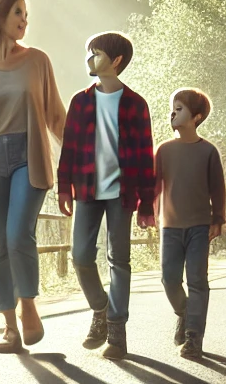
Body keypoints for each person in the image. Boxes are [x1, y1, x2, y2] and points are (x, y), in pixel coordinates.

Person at [0, 0, 66, 354]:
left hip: (28, 155)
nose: (24, 19)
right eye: (18, 12)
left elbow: (55, 115)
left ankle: (29, 305)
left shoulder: (37, 61)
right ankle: (8, 326)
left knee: (18, 234)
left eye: (26, 14)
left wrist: (82, 154)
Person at [57, 32, 156, 361]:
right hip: (86, 189)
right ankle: (100, 308)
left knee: (119, 260)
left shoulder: (136, 104)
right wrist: (63, 187)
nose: (89, 58)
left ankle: (116, 331)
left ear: (116, 61)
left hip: (122, 193)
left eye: (96, 53)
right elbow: (69, 148)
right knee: (80, 256)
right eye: (89, 53)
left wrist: (147, 202)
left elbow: (145, 156)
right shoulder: (80, 102)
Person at [155, 88, 226, 361]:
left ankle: (194, 338)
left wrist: (218, 219)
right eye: (172, 108)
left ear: (196, 117)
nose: (173, 113)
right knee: (169, 279)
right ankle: (185, 313)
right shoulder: (163, 150)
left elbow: (217, 189)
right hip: (170, 227)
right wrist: (148, 212)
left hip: (199, 227)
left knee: (197, 281)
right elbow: (154, 187)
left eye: (180, 108)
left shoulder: (208, 151)